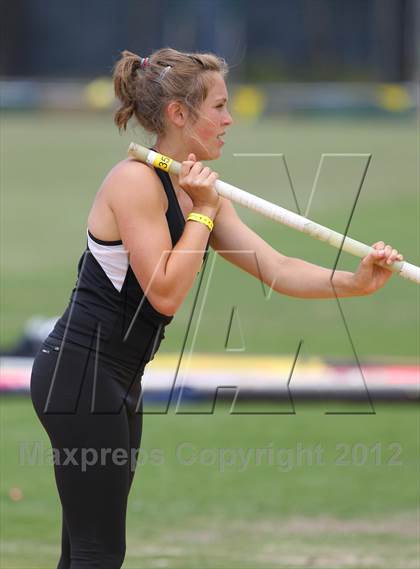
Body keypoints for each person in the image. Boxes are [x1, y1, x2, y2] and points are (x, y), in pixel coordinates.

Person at [30, 48, 403, 568]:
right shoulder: (135, 182)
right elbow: (165, 291)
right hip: (78, 376)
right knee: (99, 550)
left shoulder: (201, 188)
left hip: (117, 378)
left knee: (85, 550)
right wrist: (203, 212)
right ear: (180, 115)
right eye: (220, 107)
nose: (230, 119)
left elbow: (276, 267)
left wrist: (356, 282)